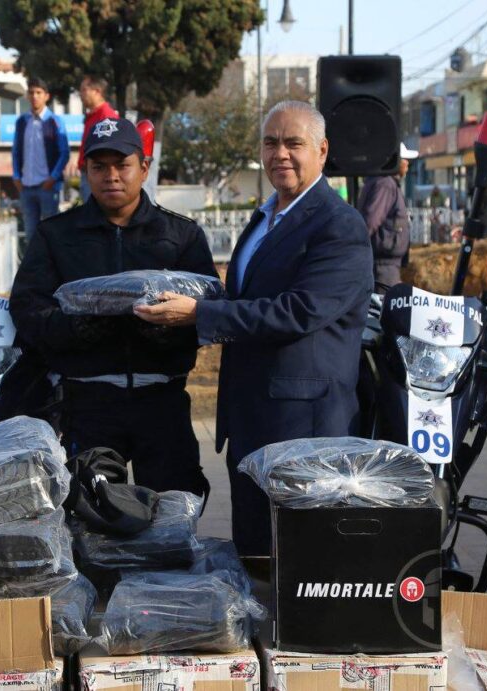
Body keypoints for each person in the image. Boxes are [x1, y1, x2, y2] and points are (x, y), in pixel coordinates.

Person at [135, 101, 372, 555]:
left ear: (322, 151)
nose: (280, 154)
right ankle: (263, 627)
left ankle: (291, 629)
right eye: (271, 143)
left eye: (293, 143)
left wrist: (200, 315)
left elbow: (299, 311)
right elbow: (249, 299)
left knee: (302, 558)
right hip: (252, 418)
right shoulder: (266, 216)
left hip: (304, 425)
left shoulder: (339, 225)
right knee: (256, 551)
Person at [9, 117, 216, 500]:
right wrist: (73, 330)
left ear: (144, 168)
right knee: (93, 524)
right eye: (99, 167)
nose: (111, 176)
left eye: (122, 165)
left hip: (163, 402)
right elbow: (26, 308)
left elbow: (210, 308)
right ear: (85, 171)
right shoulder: (56, 234)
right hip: (87, 407)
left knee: (174, 513)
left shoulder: (181, 235)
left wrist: (169, 329)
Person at [12, 77, 69, 243]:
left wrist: (53, 178)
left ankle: (54, 268)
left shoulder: (55, 122)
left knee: (51, 232)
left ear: (46, 96)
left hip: (47, 186)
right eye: (31, 93)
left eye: (39, 92)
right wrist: (16, 176)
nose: (35, 96)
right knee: (31, 235)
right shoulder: (22, 122)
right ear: (27, 96)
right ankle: (34, 269)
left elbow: (64, 153)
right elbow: (16, 151)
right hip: (26, 186)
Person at [358, 142, 419, 291]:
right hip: (382, 267)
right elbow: (369, 223)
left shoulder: (383, 182)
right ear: (395, 160)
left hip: (385, 265)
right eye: (404, 159)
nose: (407, 164)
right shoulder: (385, 184)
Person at [77, 75, 119, 201]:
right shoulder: (92, 115)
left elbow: (107, 150)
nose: (81, 94)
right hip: (89, 173)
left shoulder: (106, 116)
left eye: (84, 90)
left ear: (97, 92)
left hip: (97, 176)